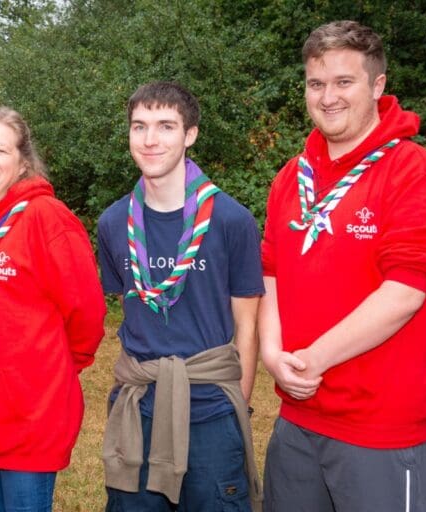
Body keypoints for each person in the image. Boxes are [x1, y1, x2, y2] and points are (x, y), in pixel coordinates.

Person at [259, 20, 426, 512]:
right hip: (297, 421)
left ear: (377, 86)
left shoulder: (415, 173)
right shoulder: (291, 176)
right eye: (316, 83)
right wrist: (270, 353)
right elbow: (270, 274)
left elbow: (403, 294)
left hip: (381, 430)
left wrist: (313, 360)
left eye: (344, 82)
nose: (328, 97)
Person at [98, 82, 264, 511]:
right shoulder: (114, 223)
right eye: (140, 126)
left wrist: (236, 406)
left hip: (211, 410)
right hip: (139, 409)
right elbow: (126, 306)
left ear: (190, 134)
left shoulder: (232, 220)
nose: (150, 139)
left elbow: (247, 324)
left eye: (165, 126)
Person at [0, 107, 106, 512]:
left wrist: (52, 370)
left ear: (23, 162)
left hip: (29, 416)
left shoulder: (48, 219)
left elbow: (87, 312)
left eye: (1, 150)